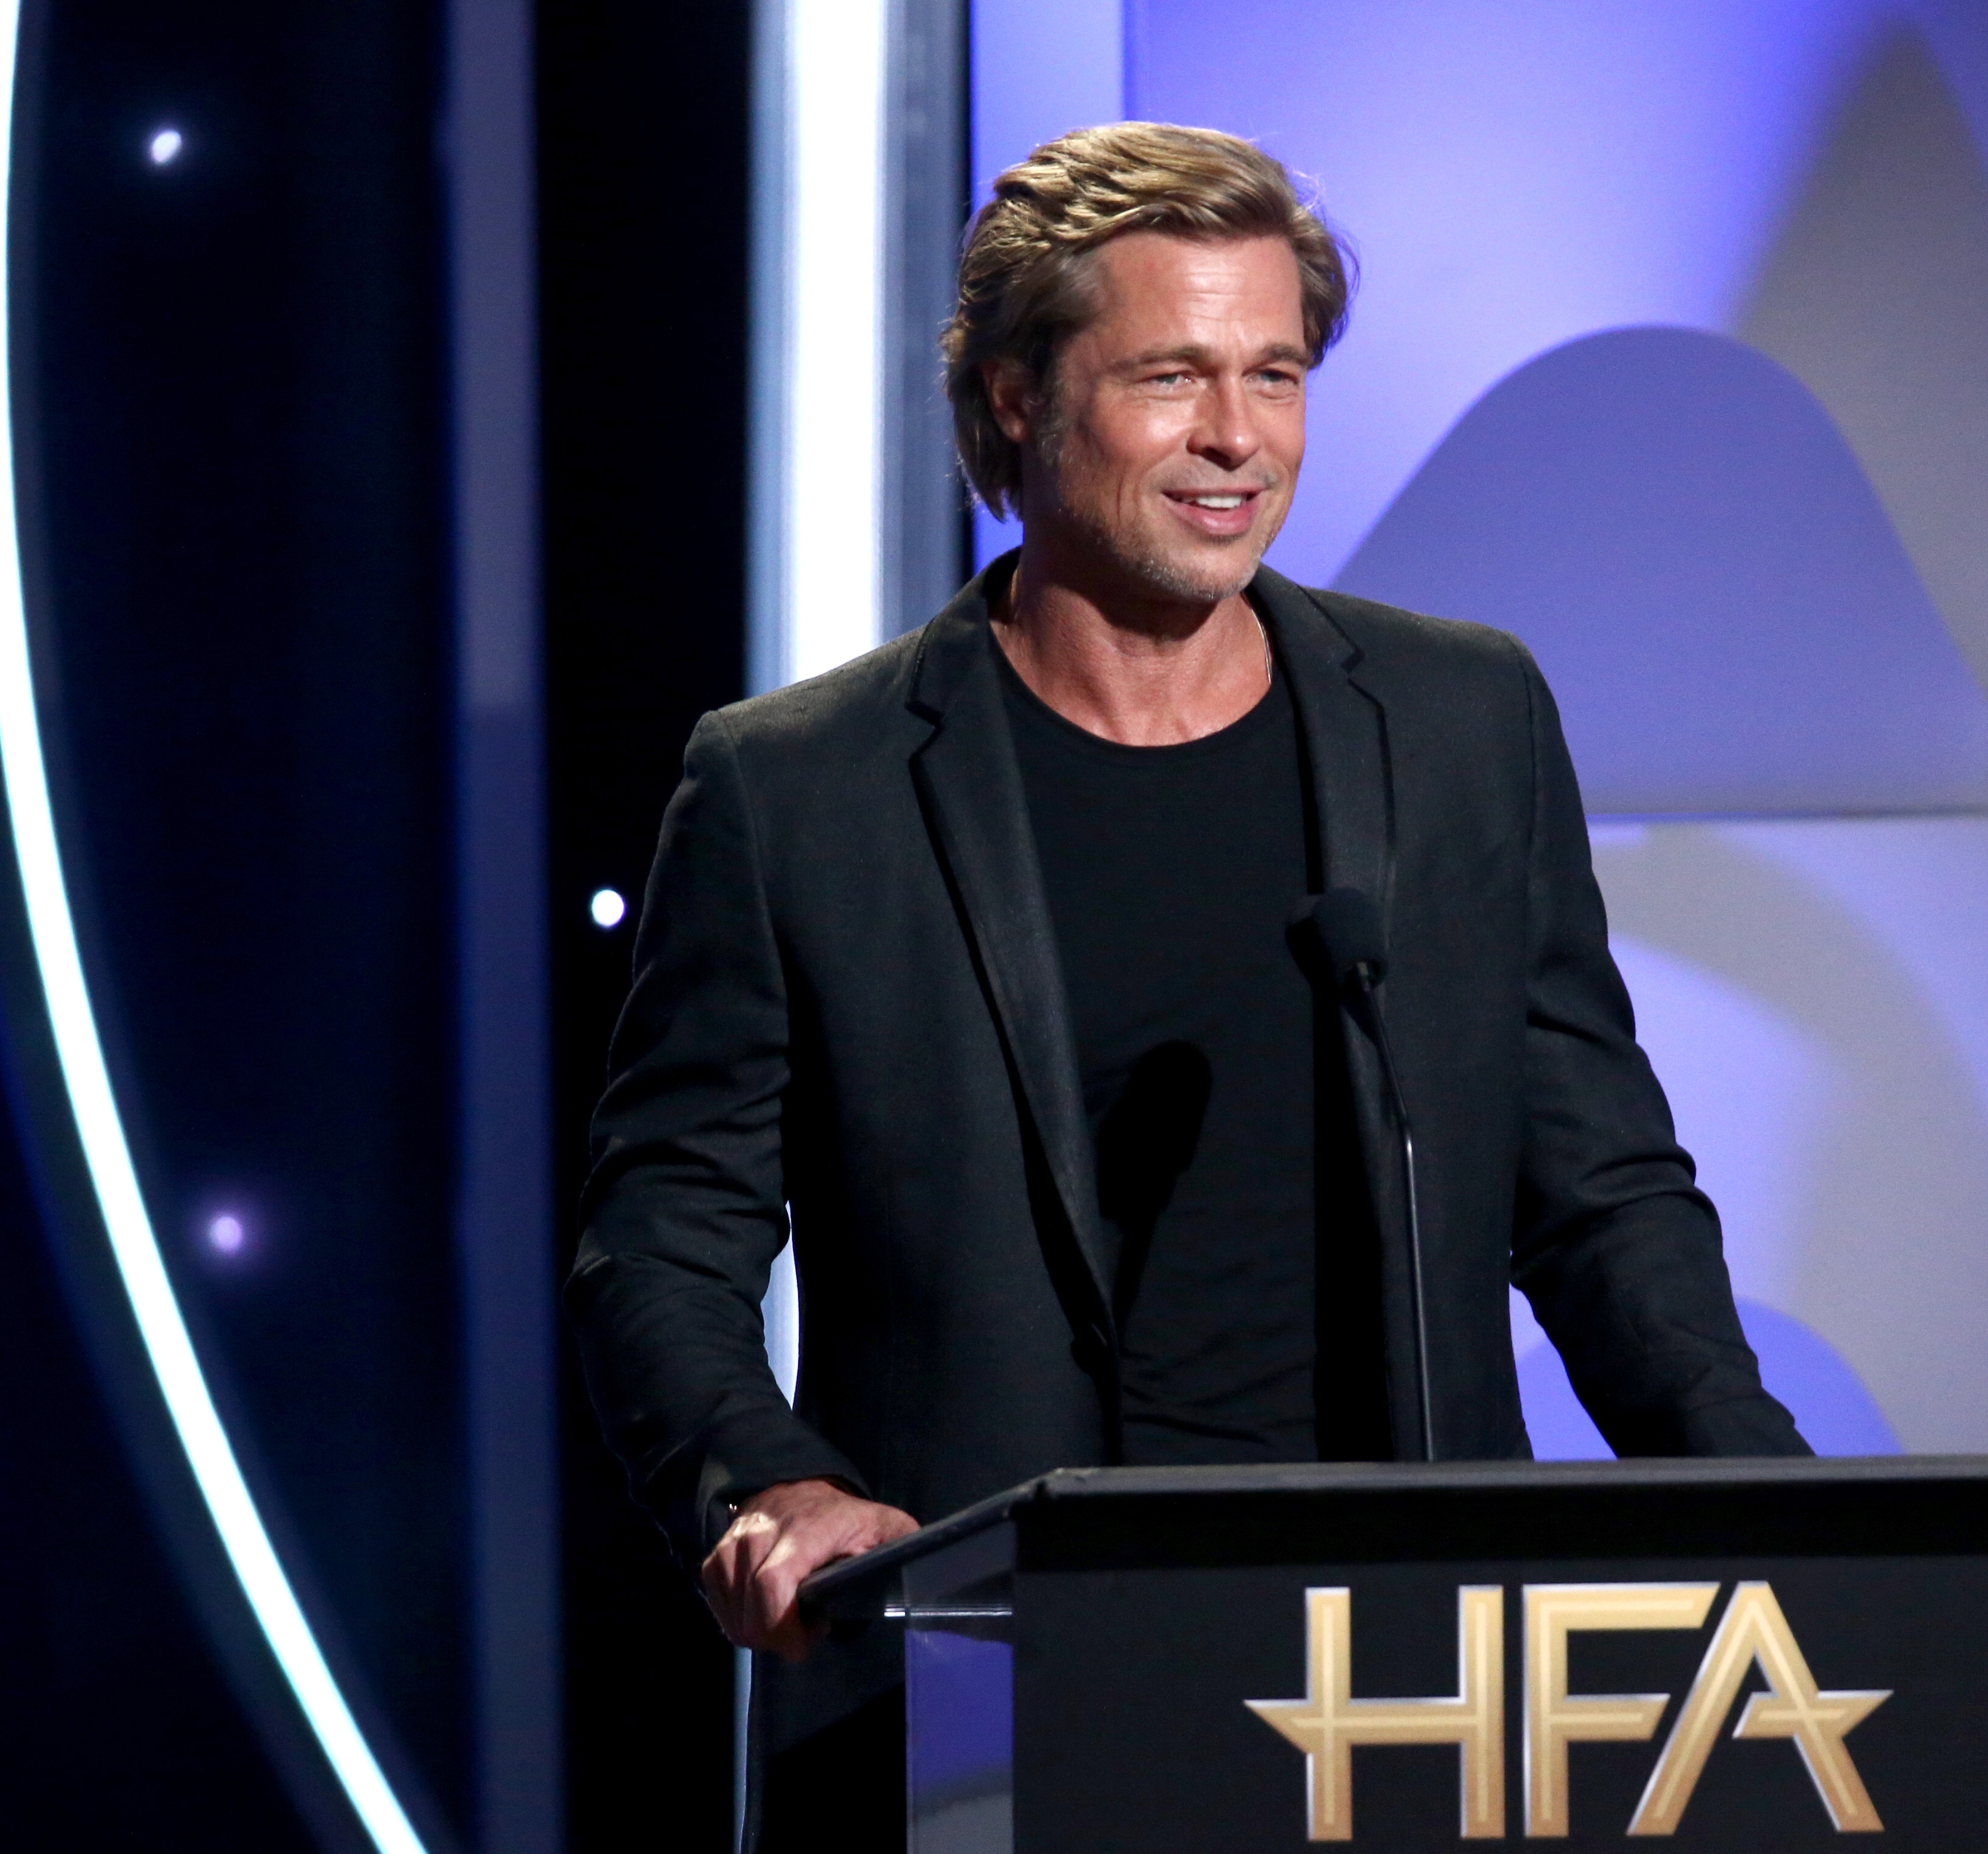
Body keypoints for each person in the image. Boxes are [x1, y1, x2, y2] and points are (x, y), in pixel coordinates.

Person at [569, 121, 1805, 1849]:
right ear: (1013, 398)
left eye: (1274, 373)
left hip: (1416, 1683)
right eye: (1170, 376)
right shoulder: (798, 788)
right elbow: (666, 1234)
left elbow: (1596, 1191)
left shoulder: (1458, 726)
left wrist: (1778, 1514)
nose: (1238, 438)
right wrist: (771, 1483)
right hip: (988, 1692)